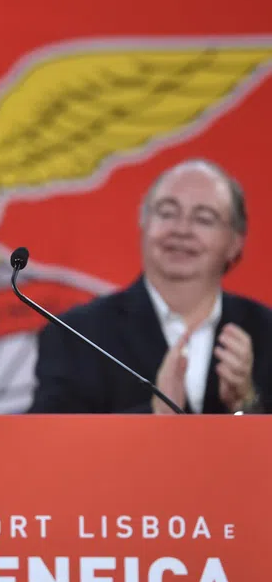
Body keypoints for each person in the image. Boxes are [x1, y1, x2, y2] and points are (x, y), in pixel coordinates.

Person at [29, 158, 272, 415]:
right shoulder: (76, 334)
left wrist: (247, 404)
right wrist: (155, 414)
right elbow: (48, 435)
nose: (181, 230)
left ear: (235, 241)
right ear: (143, 222)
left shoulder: (266, 332)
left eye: (204, 219)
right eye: (167, 213)